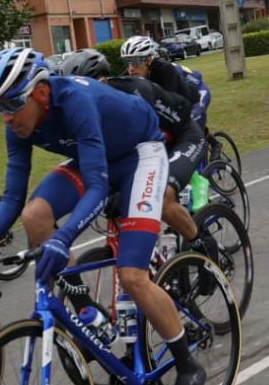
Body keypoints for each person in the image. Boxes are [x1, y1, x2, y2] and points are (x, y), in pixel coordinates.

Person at [0, 46, 208, 385]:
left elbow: (98, 186)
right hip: (100, 157)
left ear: (39, 92)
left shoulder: (75, 99)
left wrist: (64, 237)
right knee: (34, 215)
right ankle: (86, 308)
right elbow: (10, 200)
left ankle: (188, 365)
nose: (4, 117)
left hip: (141, 155)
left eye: (10, 104)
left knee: (133, 275)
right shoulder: (19, 124)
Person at [59, 47, 219, 262]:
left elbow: (150, 148)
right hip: (152, 143)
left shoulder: (134, 94)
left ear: (103, 83)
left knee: (162, 198)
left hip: (184, 135)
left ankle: (205, 247)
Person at [120, 35, 212, 133]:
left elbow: (168, 103)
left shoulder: (164, 69)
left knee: (187, 127)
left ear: (149, 60)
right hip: (180, 99)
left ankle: (209, 142)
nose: (131, 68)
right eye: (127, 62)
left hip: (197, 92)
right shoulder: (133, 72)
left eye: (135, 61)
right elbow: (116, 83)